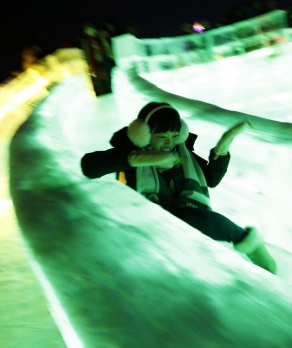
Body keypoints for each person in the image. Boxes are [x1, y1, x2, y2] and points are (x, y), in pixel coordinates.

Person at [80, 102, 277, 274]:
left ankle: (261, 258)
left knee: (203, 220)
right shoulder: (129, 153)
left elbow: (211, 179)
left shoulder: (181, 153)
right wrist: (142, 159)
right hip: (145, 225)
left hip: (183, 217)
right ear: (144, 134)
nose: (169, 142)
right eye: (162, 136)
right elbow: (89, 166)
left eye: (174, 135)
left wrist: (224, 144)